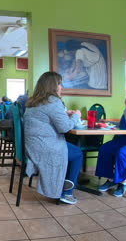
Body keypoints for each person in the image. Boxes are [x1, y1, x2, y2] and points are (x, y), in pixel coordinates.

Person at [23, 72, 83, 204]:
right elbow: (65, 127)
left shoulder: (34, 102)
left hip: (32, 147)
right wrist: (76, 115)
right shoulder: (53, 102)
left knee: (71, 150)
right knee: (77, 153)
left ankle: (62, 182)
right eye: (59, 83)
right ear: (53, 86)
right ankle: (66, 193)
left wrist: (65, 113)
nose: (61, 87)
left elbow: (46, 116)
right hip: (46, 148)